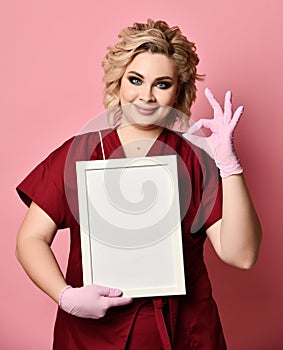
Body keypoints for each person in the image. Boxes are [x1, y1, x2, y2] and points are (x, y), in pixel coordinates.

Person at [16, 19, 262, 349]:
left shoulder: (196, 160)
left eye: (162, 84)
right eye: (136, 80)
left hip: (184, 333)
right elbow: (31, 238)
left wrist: (229, 168)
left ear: (178, 91)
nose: (146, 96)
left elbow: (241, 255)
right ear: (118, 83)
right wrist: (66, 295)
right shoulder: (78, 154)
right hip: (91, 335)